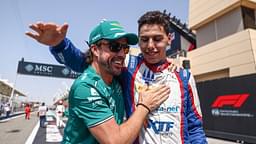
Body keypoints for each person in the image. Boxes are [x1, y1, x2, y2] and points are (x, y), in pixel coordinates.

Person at [27, 11, 207, 143]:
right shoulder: (128, 67)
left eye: (157, 39)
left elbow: (195, 127)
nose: (150, 46)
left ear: (169, 39)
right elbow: (89, 62)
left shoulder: (184, 76)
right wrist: (60, 45)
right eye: (144, 39)